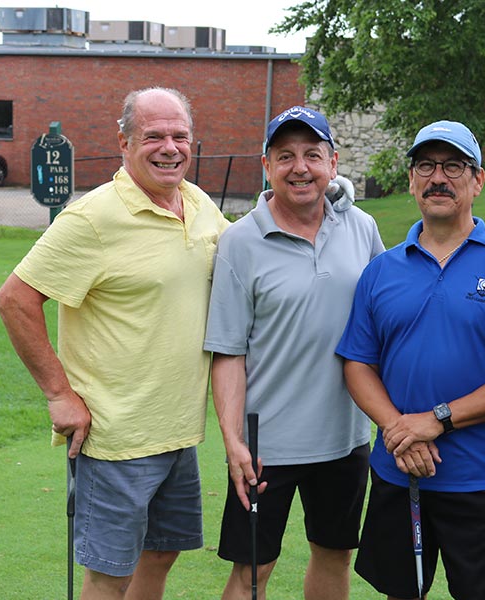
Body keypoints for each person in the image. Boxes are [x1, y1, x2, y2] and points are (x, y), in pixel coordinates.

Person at [0, 87, 229, 600]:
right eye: (154, 136)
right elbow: (14, 300)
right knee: (110, 574)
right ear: (123, 142)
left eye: (180, 135)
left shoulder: (199, 204)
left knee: (161, 553)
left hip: (178, 430)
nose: (170, 147)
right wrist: (59, 394)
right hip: (113, 436)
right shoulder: (92, 218)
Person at [336, 120, 485, 600]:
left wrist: (436, 420)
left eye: (454, 166)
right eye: (426, 166)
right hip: (397, 469)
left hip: (480, 478)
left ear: (477, 180)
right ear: (411, 180)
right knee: (401, 592)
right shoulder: (381, 270)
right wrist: (399, 429)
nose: (438, 177)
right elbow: (358, 364)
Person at [203, 105, 385, 600]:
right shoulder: (240, 241)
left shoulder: (361, 227)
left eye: (312, 155)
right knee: (252, 571)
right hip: (265, 447)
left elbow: (386, 317)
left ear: (333, 162)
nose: (299, 167)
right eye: (285, 156)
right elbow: (228, 352)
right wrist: (233, 441)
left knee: (333, 555)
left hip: (345, 438)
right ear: (267, 166)